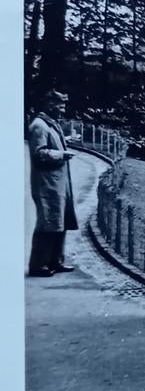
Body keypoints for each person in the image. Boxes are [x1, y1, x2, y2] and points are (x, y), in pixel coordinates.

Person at [27, 90, 78, 277]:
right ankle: (38, 265)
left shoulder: (51, 124)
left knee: (59, 222)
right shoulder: (39, 126)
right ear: (49, 105)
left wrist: (66, 143)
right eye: (60, 105)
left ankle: (56, 261)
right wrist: (62, 154)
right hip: (47, 184)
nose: (63, 109)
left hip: (58, 183)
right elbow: (39, 153)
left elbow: (51, 146)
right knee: (47, 223)